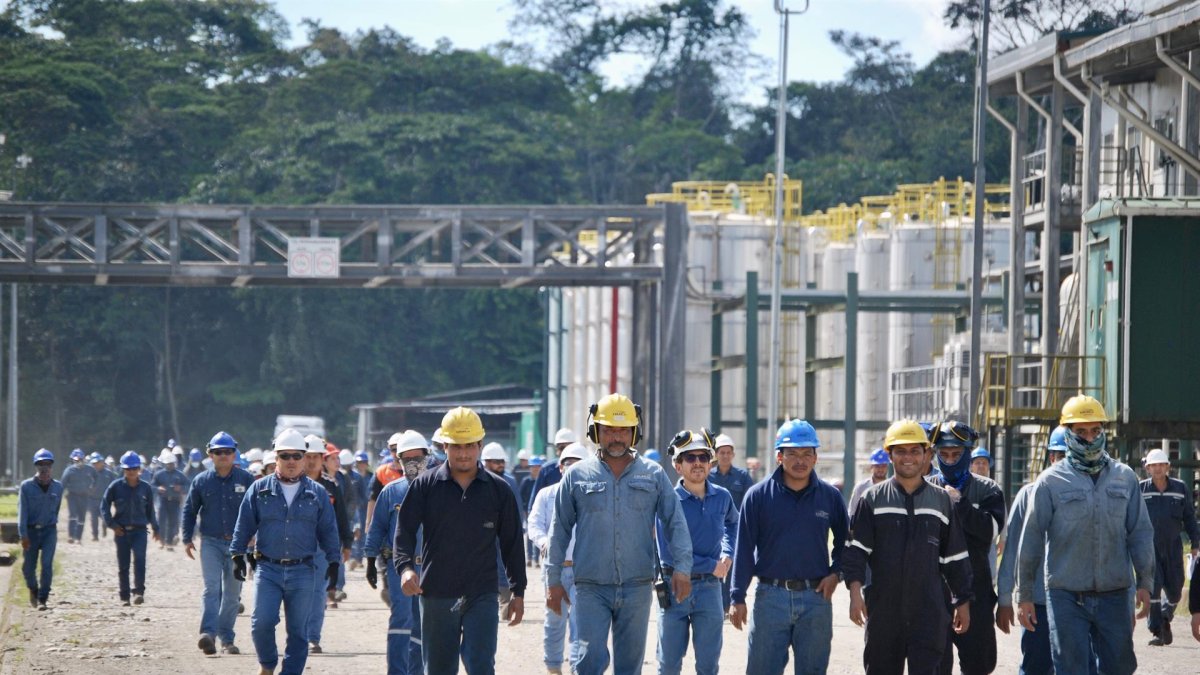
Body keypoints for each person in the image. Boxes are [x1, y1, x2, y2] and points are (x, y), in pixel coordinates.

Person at [546, 393, 693, 675]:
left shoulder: (653, 474)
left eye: (623, 430)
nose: (616, 437)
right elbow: (559, 530)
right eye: (609, 430)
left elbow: (675, 523)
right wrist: (553, 581)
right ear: (595, 431)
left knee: (629, 667)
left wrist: (683, 569)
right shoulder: (576, 476)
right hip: (590, 587)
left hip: (636, 587)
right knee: (587, 661)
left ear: (634, 432)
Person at [1016, 395, 1154, 675]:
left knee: (1120, 666)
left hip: (1115, 593)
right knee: (1070, 667)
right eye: (1081, 431)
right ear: (1068, 434)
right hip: (1065, 594)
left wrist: (1145, 582)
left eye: (1095, 431)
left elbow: (1140, 532)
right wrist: (1025, 595)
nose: (1089, 438)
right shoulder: (1050, 482)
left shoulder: (1124, 477)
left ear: (1104, 432)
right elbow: (1030, 539)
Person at [393, 406, 526, 675]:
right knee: (439, 669)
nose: (463, 453)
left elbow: (513, 543)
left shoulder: (499, 490)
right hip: (436, 594)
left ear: (480, 445)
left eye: (469, 445)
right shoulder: (425, 485)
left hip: (483, 594)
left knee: (481, 666)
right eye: (456, 446)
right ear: (444, 446)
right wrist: (405, 568)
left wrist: (518, 591)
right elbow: (404, 531)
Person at [845, 419, 973, 674]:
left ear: (927, 454)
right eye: (900, 451)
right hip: (883, 610)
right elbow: (856, 551)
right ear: (890, 454)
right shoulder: (872, 499)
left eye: (915, 451)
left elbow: (955, 555)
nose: (908, 458)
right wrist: (854, 594)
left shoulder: (940, 501)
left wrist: (963, 601)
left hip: (928, 611)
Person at [729, 419, 848, 674]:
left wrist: (836, 573)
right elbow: (744, 549)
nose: (800, 460)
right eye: (792, 453)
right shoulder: (758, 496)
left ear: (816, 457)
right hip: (771, 599)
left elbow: (845, 543)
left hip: (816, 598)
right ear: (779, 456)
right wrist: (737, 596)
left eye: (807, 453)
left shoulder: (830, 497)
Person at [230, 428, 341, 675]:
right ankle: (267, 665)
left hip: (304, 571)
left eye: (297, 455)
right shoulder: (259, 490)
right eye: (285, 455)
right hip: (268, 568)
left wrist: (334, 562)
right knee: (261, 624)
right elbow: (244, 524)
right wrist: (237, 554)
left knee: (299, 631)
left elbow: (328, 531)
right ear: (276, 457)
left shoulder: (317, 493)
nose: (291, 461)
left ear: (304, 458)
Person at [995, 426, 1093, 675]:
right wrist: (1006, 599)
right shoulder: (1028, 495)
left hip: (1081, 602)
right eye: (1060, 456)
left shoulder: (1093, 496)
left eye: (1071, 456)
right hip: (1038, 603)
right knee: (1036, 667)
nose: (1065, 464)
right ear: (1051, 457)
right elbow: (1012, 551)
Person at [928, 421, 1006, 675]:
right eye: (944, 454)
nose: (950, 460)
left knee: (979, 664)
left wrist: (959, 504)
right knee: (935, 665)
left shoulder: (988, 489)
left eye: (956, 454)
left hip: (977, 592)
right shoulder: (923, 487)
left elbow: (990, 532)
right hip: (933, 593)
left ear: (968, 453)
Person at [657, 430, 738, 675]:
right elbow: (669, 551)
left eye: (703, 457)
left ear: (711, 463)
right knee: (669, 665)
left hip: (710, 591)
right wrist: (711, 565)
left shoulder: (722, 497)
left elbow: (733, 523)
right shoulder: (668, 500)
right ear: (677, 465)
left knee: (708, 665)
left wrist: (728, 551)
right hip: (675, 587)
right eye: (689, 458)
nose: (698, 463)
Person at [364, 429, 432, 675]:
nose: (413, 464)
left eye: (418, 458)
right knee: (402, 619)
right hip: (399, 565)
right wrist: (370, 560)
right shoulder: (391, 491)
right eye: (407, 459)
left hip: (432, 567)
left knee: (424, 623)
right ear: (398, 461)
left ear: (428, 456)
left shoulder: (440, 488)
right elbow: (378, 527)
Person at [182, 431, 256, 656]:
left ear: (234, 454)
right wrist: (186, 538)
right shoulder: (201, 481)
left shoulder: (246, 479)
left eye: (227, 452)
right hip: (211, 543)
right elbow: (189, 510)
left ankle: (227, 639)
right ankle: (208, 634)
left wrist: (255, 535)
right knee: (211, 588)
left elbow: (257, 510)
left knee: (233, 594)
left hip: (238, 545)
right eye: (218, 452)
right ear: (210, 455)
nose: (223, 456)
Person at [527, 442, 588, 675]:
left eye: (577, 464)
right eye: (568, 463)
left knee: (580, 624)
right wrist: (543, 542)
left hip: (584, 570)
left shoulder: (591, 497)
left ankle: (576, 668)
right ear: (560, 467)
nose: (571, 468)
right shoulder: (546, 494)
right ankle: (553, 667)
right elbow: (533, 524)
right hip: (555, 570)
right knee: (555, 621)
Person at [1139, 447, 1200, 646]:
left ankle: (1166, 615)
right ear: (1147, 468)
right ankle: (1158, 630)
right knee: (1154, 588)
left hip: (1174, 546)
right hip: (1150, 546)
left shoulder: (1180, 489)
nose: (1157, 469)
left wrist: (1195, 542)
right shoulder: (1141, 490)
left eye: (1161, 465)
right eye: (1153, 465)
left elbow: (1189, 517)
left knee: (1175, 589)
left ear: (1168, 467)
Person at [302, 434, 352, 652]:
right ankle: (297, 635)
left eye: (316, 456)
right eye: (308, 456)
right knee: (297, 593)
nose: (312, 460)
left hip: (322, 548)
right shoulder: (292, 482)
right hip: (295, 546)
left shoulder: (331, 486)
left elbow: (341, 516)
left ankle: (312, 637)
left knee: (318, 593)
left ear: (323, 458)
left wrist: (347, 543)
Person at [102, 451, 161, 606]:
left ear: (139, 469)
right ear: (123, 470)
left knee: (140, 560)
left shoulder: (146, 488)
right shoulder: (115, 487)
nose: (132, 472)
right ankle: (124, 596)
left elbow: (150, 510)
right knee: (123, 564)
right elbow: (104, 506)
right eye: (128, 469)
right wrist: (112, 525)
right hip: (121, 531)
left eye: (134, 469)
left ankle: (139, 592)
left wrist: (156, 528)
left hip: (140, 531)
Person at [707, 432, 752, 611]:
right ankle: (717, 605)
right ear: (716, 454)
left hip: (735, 530)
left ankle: (729, 604)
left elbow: (750, 502)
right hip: (712, 530)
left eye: (728, 452)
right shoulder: (708, 476)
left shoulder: (742, 477)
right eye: (721, 452)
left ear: (733, 454)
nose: (725, 456)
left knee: (732, 566)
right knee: (715, 567)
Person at [19, 448, 63, 610]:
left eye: (47, 464)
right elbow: (22, 512)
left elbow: (56, 509)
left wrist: (51, 523)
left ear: (51, 466)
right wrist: (23, 534)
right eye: (40, 465)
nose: (44, 468)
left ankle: (43, 598)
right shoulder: (26, 487)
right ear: (36, 467)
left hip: (49, 531)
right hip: (30, 531)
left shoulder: (58, 487)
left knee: (46, 564)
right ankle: (33, 589)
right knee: (28, 567)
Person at [527, 428, 578, 512]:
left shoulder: (585, 469)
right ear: (556, 450)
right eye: (562, 448)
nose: (566, 451)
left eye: (569, 447)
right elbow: (534, 504)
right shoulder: (546, 470)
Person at [152, 450, 189, 551]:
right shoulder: (159, 474)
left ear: (175, 463)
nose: (170, 465)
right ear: (165, 464)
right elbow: (152, 486)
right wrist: (158, 488)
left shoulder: (180, 475)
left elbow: (188, 486)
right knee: (161, 521)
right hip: (163, 500)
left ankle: (169, 542)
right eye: (168, 464)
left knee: (173, 522)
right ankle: (161, 541)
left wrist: (180, 488)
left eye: (172, 464)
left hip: (175, 501)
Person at [61, 448, 93, 545]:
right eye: (76, 460)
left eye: (80, 459)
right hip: (72, 496)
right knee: (73, 516)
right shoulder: (69, 470)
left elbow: (96, 477)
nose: (79, 461)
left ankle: (78, 538)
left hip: (84, 496)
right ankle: (71, 536)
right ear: (73, 460)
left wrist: (92, 487)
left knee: (82, 518)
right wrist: (61, 494)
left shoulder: (89, 469)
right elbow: (63, 483)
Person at [849, 448, 890, 516]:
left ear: (887, 467)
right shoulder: (861, 487)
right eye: (877, 466)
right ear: (871, 467)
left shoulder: (893, 488)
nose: (880, 469)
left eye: (883, 466)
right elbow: (852, 512)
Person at [520, 456, 543, 568]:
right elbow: (521, 497)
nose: (535, 469)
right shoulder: (526, 481)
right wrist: (525, 511)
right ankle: (528, 558)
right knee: (529, 536)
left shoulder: (542, 481)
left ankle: (536, 559)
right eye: (533, 466)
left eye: (538, 466)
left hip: (540, 511)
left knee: (539, 534)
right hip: (528, 512)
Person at [87, 453, 116, 541]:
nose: (95, 465)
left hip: (105, 500)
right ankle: (95, 536)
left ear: (102, 462)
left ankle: (104, 528)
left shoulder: (109, 474)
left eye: (97, 463)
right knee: (94, 519)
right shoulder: (89, 474)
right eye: (93, 463)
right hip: (92, 499)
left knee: (105, 518)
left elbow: (114, 485)